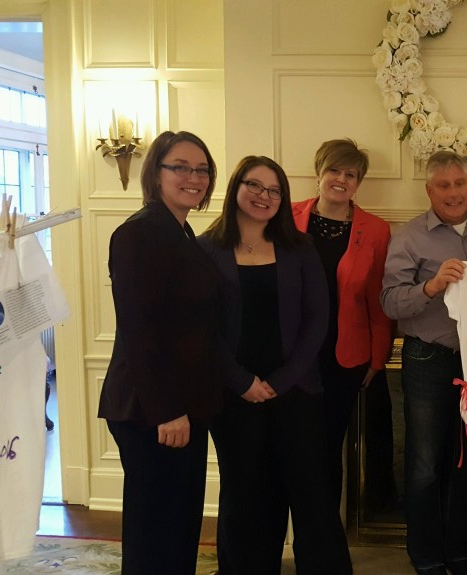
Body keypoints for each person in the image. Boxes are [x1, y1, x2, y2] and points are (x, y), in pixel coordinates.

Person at [198, 156, 339, 574]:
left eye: (274, 190)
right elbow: (203, 327)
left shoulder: (299, 248)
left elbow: (318, 319)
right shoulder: (205, 249)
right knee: (244, 495)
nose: (264, 196)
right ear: (236, 188)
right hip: (233, 395)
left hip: (296, 391)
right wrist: (242, 381)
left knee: (311, 493)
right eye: (254, 185)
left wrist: (280, 381)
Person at [97, 131, 223, 575]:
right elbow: (140, 331)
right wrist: (167, 410)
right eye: (181, 167)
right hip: (151, 410)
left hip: (180, 405)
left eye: (202, 169)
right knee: (155, 528)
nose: (194, 177)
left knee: (178, 522)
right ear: (156, 172)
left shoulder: (180, 230)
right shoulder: (139, 233)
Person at [381, 150, 467, 575]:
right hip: (427, 357)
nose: (454, 193)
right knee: (424, 463)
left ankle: (459, 550)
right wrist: (432, 286)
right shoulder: (409, 237)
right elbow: (389, 301)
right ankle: (426, 554)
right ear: (429, 190)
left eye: (460, 184)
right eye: (444, 185)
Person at [291, 138, 394, 568]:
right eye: (335, 170)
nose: (341, 179)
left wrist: (377, 358)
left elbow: (377, 299)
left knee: (327, 455)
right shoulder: (286, 214)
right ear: (320, 171)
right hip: (290, 359)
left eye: (351, 175)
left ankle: (322, 552)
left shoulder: (375, 229)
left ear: (358, 184)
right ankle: (298, 544)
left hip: (343, 361)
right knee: (294, 453)